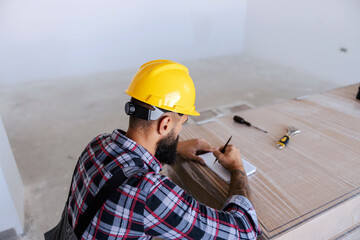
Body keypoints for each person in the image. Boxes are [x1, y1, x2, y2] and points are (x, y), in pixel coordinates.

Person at [66, 60, 261, 239]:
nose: (180, 131)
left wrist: (175, 149)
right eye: (181, 124)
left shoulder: (96, 145)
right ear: (165, 124)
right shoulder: (148, 192)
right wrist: (237, 168)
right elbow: (245, 231)